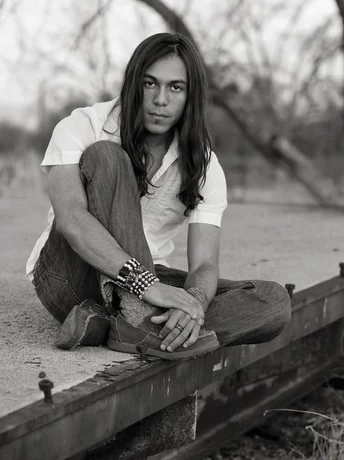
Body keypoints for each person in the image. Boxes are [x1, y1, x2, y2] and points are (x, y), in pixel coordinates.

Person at [26, 32, 291, 360]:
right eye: (150, 84)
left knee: (272, 301)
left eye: (175, 88)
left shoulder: (203, 164)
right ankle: (142, 324)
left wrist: (193, 304)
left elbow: (205, 263)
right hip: (71, 272)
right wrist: (146, 286)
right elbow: (71, 220)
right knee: (106, 157)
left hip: (153, 279)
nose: (160, 99)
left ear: (190, 96)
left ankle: (117, 325)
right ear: (134, 83)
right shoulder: (83, 126)